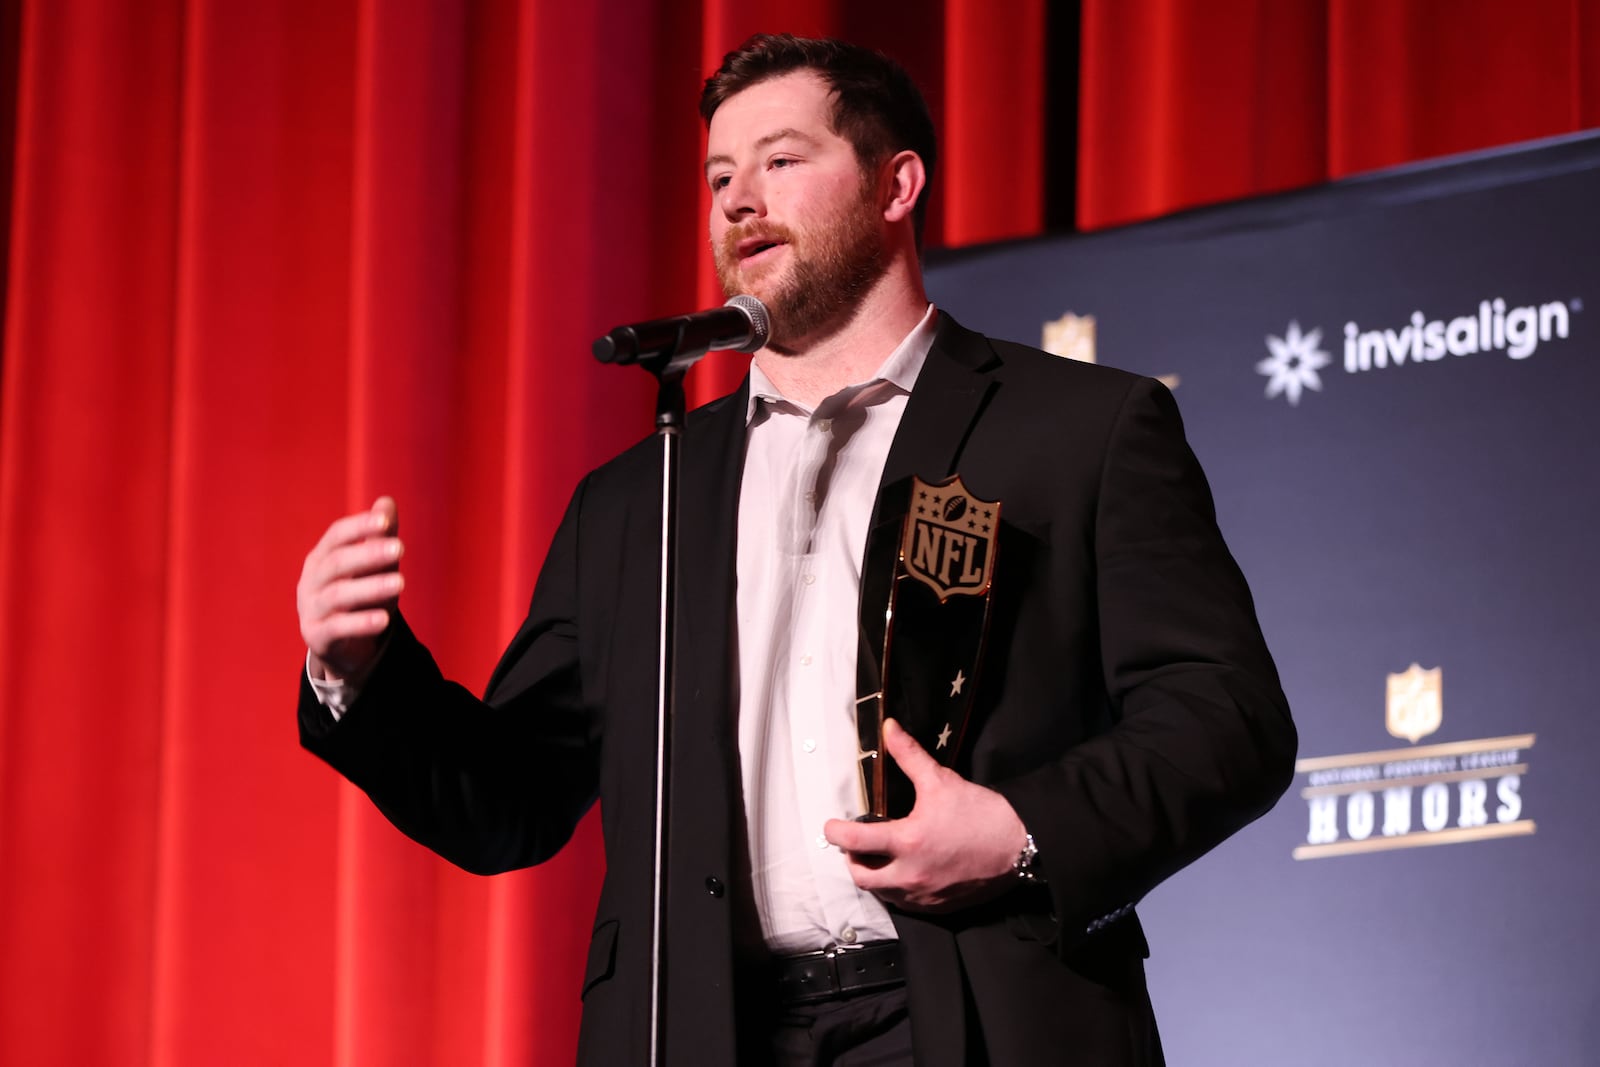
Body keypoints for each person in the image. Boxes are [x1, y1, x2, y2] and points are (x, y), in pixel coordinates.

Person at [296, 33, 1296, 1067]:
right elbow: (507, 802)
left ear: (896, 184)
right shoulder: (639, 498)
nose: (737, 200)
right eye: (720, 175)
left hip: (980, 1010)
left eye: (779, 161)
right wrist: (361, 675)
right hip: (710, 1028)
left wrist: (1016, 828)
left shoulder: (1077, 427)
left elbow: (1224, 718)